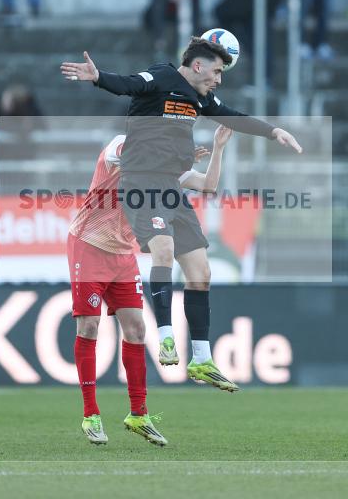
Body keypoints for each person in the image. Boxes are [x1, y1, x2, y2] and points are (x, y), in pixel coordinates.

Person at [60, 38, 302, 392]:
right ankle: (167, 336)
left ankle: (201, 358)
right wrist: (99, 77)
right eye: (217, 71)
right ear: (199, 65)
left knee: (201, 271)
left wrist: (273, 131)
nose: (219, 79)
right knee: (164, 251)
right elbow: (129, 84)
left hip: (171, 187)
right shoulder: (162, 77)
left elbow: (231, 116)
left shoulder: (201, 98)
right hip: (141, 184)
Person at [68, 125, 233, 446]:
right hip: (88, 244)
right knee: (88, 326)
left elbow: (208, 185)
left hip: (122, 253)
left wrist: (219, 148)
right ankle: (91, 414)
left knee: (136, 330)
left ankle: (139, 414)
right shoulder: (120, 145)